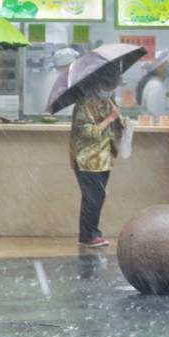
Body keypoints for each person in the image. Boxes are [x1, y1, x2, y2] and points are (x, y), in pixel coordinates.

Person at [70, 69, 126, 248]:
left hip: (104, 157)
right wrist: (110, 119)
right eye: (110, 86)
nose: (112, 90)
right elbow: (87, 132)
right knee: (91, 198)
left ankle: (92, 232)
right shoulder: (84, 103)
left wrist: (119, 122)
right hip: (87, 159)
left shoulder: (108, 101)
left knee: (98, 196)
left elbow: (111, 128)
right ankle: (87, 235)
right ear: (101, 84)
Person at [136, 50, 169, 119]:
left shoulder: (157, 85)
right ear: (160, 68)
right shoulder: (156, 87)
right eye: (167, 64)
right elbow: (157, 118)